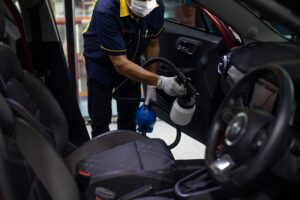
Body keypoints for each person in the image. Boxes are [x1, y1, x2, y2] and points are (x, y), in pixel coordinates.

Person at [83, 0, 186, 138]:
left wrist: (151, 84)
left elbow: (153, 44)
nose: (145, 2)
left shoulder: (155, 6)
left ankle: (128, 151)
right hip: (100, 63)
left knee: (129, 117)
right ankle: (101, 154)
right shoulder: (106, 9)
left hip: (131, 61)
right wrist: (161, 81)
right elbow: (120, 64)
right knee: (100, 120)